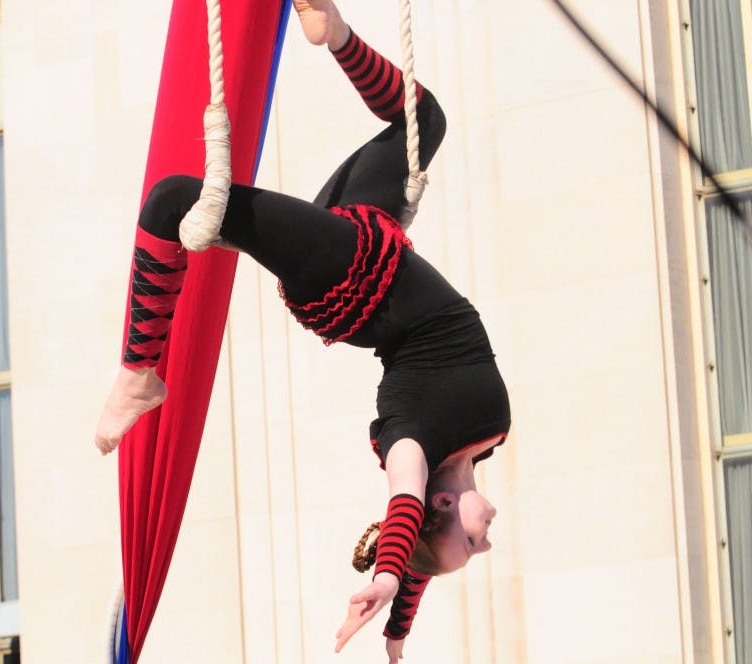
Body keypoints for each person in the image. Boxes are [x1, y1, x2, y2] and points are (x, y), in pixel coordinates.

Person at [95, 1, 511, 661]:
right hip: (372, 240)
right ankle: (334, 34)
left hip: (349, 271)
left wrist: (381, 578)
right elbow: (418, 558)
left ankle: (140, 371)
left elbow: (403, 512)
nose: (487, 541)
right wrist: (398, 632)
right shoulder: (480, 442)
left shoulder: (413, 446)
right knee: (421, 119)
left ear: (439, 503)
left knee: (175, 201)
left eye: (470, 544)